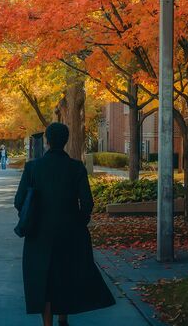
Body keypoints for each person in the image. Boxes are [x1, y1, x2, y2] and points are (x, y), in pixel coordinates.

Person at [14, 123, 115, 326]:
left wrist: (31, 218)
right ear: (66, 141)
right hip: (70, 232)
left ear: (47, 141)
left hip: (39, 234)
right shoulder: (76, 168)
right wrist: (78, 222)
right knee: (65, 274)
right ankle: (63, 319)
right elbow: (87, 202)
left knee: (44, 279)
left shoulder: (33, 168)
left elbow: (19, 201)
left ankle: (47, 323)